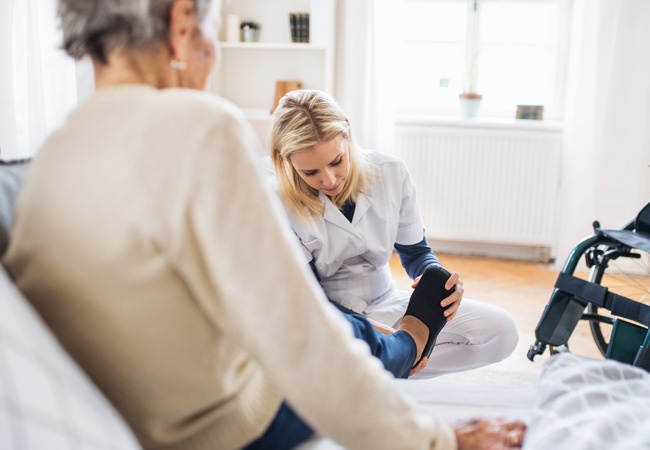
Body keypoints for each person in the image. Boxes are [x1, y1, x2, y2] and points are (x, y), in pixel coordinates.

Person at [2, 0, 526, 449]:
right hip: (231, 425)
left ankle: (402, 345)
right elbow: (302, 339)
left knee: (373, 330)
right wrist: (438, 438)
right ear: (183, 22)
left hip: (138, 415)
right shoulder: (200, 126)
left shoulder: (52, 158)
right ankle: (408, 347)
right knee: (347, 333)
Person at [270, 89, 519, 379]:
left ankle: (390, 367)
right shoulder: (275, 202)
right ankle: (390, 363)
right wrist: (384, 338)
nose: (329, 179)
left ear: (347, 135)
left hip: (388, 302)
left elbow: (416, 253)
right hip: (328, 318)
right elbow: (309, 298)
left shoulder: (390, 172)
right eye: (311, 172)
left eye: (337, 161)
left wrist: (438, 281)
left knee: (501, 332)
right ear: (287, 162)